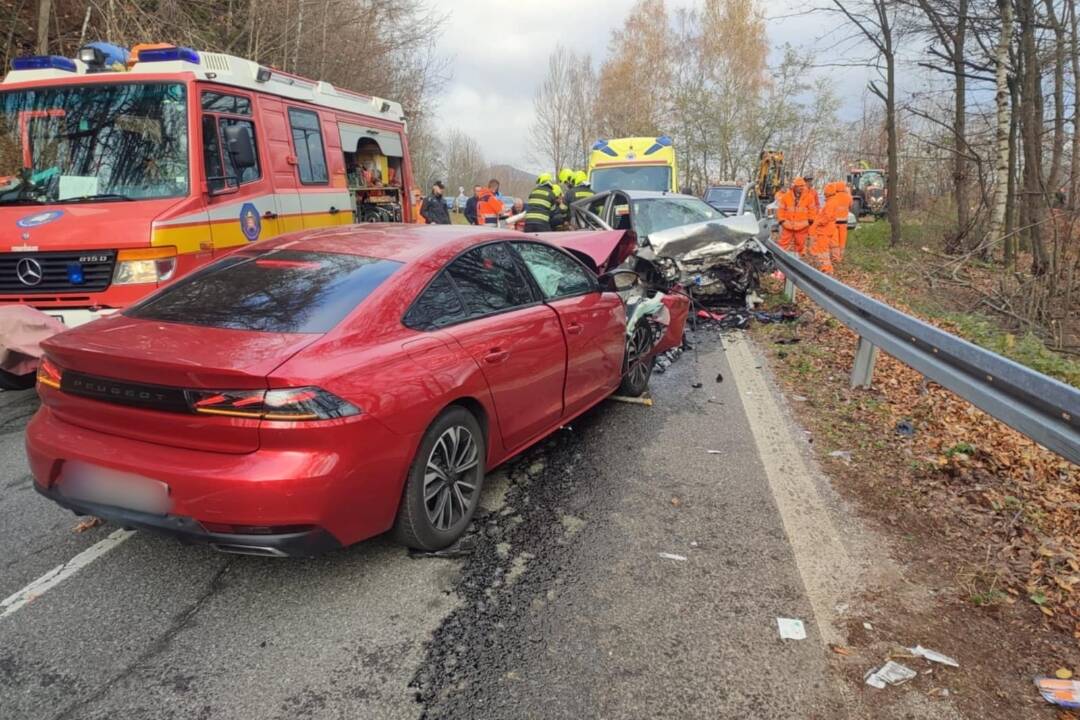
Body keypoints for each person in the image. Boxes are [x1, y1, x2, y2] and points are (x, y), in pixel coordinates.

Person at [807, 183, 844, 274]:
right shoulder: (832, 201)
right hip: (828, 228)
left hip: (825, 229)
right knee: (825, 248)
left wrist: (819, 223)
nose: (824, 193)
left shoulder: (831, 203)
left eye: (825, 191)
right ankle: (827, 266)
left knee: (823, 250)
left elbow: (826, 217)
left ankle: (826, 268)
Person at [776, 176, 815, 254]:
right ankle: (779, 258)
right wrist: (782, 221)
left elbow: (812, 210)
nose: (802, 188)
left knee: (800, 246)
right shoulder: (786, 197)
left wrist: (809, 221)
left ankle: (797, 259)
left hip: (802, 226)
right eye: (799, 186)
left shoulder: (809, 197)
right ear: (795, 186)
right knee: (782, 244)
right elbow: (780, 210)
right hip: (788, 225)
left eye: (802, 186)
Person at [834, 181, 852, 263]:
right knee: (842, 241)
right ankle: (841, 257)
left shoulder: (833, 196)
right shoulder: (848, 197)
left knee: (835, 241)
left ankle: (836, 257)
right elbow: (851, 206)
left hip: (834, 223)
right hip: (844, 223)